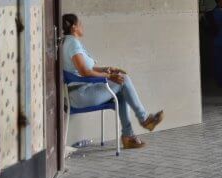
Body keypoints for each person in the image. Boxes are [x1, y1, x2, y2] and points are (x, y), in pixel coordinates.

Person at [61, 14, 164, 149]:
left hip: (80, 92)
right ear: (74, 27)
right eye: (80, 23)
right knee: (124, 79)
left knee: (121, 93)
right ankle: (144, 119)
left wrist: (107, 70)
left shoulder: (68, 42)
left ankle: (128, 137)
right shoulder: (72, 43)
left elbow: (87, 68)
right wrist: (108, 77)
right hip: (80, 95)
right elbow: (84, 72)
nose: (82, 26)